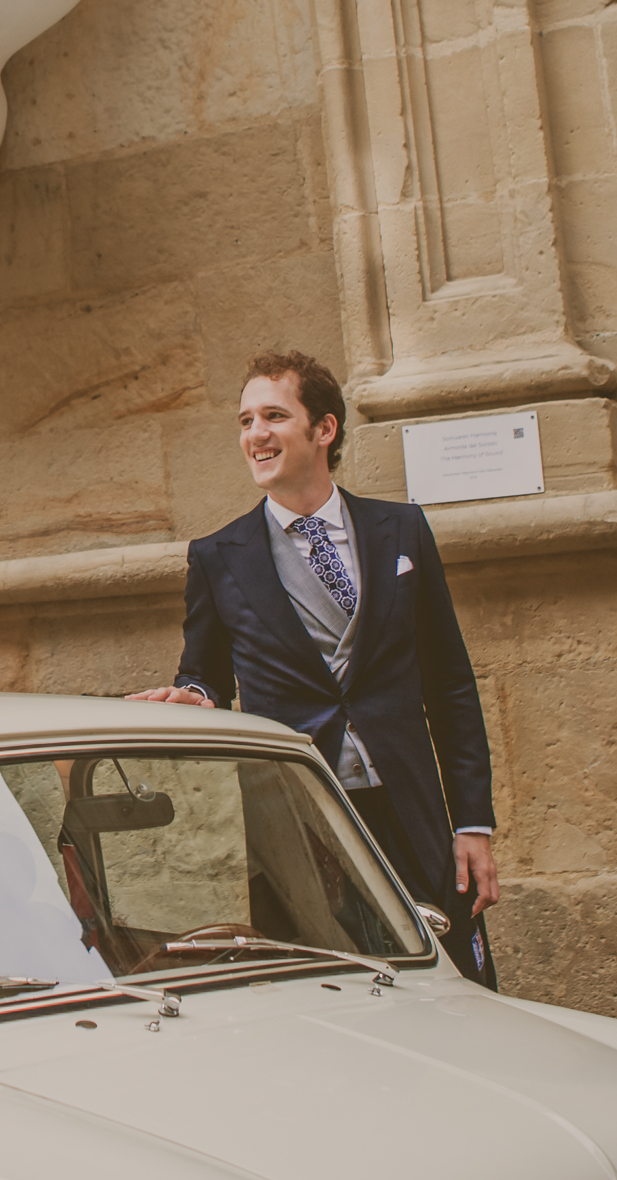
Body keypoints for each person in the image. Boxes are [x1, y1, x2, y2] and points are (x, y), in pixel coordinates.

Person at [133, 350, 500, 986]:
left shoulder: (402, 531)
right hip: (298, 819)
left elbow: (449, 684)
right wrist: (195, 695)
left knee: (454, 983)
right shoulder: (219, 557)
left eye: (274, 415)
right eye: (246, 421)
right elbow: (206, 674)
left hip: (409, 808)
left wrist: (473, 822)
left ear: (323, 429)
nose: (256, 435)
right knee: (330, 993)